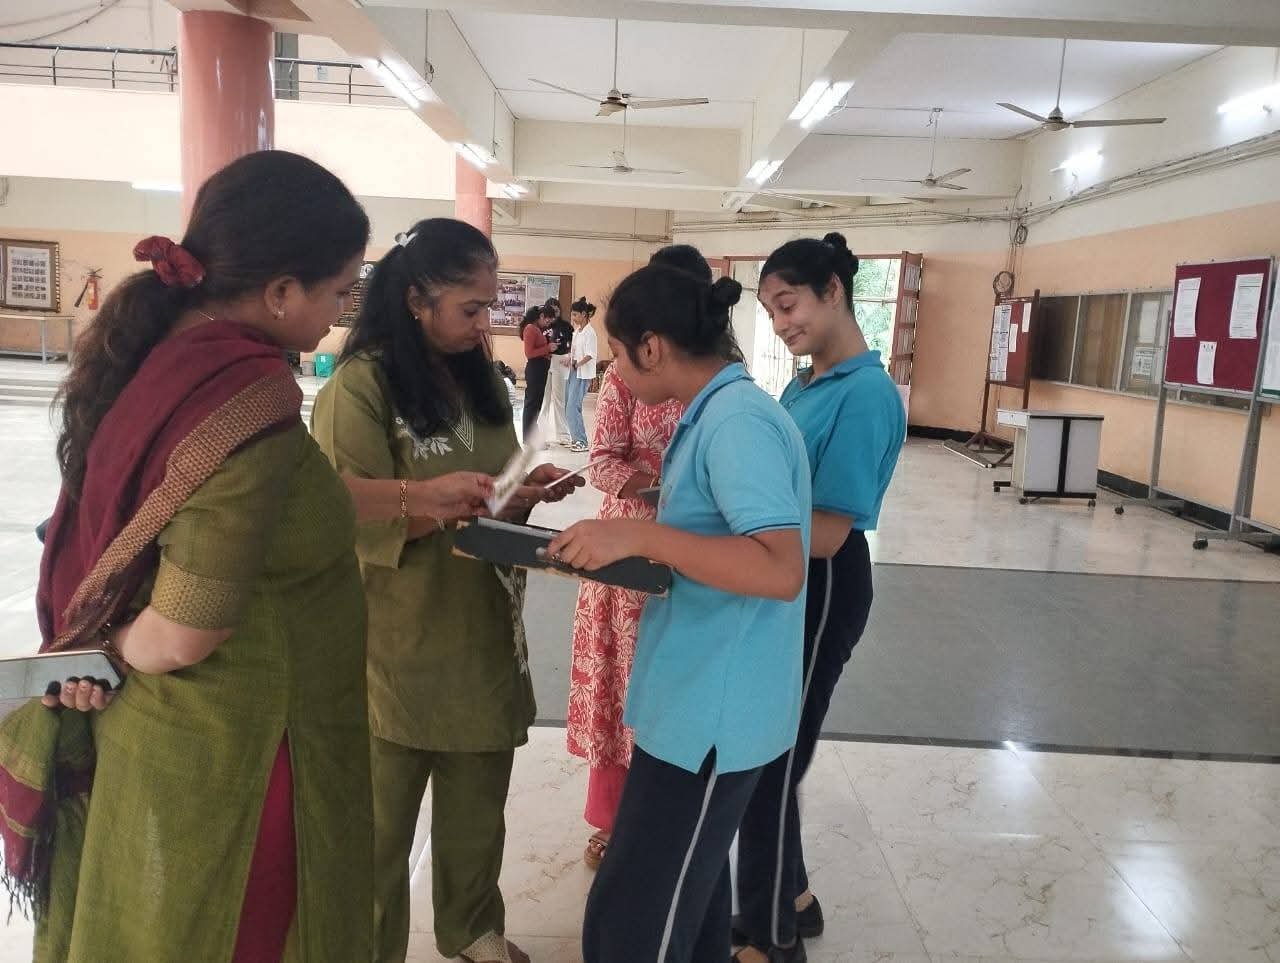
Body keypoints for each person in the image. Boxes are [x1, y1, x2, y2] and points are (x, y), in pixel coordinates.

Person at [1, 150, 467, 961]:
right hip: (236, 757)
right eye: (337, 291)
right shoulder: (245, 399)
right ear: (281, 291)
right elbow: (186, 630)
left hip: (178, 737)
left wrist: (417, 497)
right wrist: (103, 650)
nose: (340, 314)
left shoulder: (161, 357)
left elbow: (283, 505)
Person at [311, 217, 580, 963]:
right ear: (415, 299)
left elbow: (492, 483)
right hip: (395, 641)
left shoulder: (480, 379)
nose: (485, 323)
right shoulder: (360, 388)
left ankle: (470, 928)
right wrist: (430, 502)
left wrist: (522, 490)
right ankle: (365, 947)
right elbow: (337, 508)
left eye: (490, 306)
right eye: (471, 307)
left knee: (477, 805)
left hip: (482, 629)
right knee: (377, 826)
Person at [547, 265, 812, 963]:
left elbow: (780, 568)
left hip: (714, 715)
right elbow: (713, 545)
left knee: (638, 918)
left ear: (653, 346)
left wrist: (640, 537)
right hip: (693, 702)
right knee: (684, 904)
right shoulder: (714, 413)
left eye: (617, 351)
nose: (613, 369)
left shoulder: (737, 423)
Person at [732, 232, 906, 963]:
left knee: (772, 760)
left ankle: (770, 936)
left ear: (833, 291)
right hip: (789, 572)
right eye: (771, 312)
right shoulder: (807, 383)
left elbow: (829, 531)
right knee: (772, 744)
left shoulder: (865, 394)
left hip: (823, 581)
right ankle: (794, 896)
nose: (781, 324)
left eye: (789, 304)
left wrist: (726, 541)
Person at [565, 245, 712, 871]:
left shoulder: (724, 381)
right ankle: (616, 817)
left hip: (702, 555)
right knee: (625, 684)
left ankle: (680, 816)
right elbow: (601, 462)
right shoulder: (627, 373)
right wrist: (663, 486)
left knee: (685, 684)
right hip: (628, 554)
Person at [564, 297, 598, 452]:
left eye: (575, 315)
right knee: (568, 406)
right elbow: (575, 351)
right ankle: (575, 438)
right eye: (572, 314)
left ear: (584, 314)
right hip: (573, 371)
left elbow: (590, 354)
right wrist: (570, 361)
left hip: (582, 373)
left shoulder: (590, 333)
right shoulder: (577, 332)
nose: (573, 318)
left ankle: (581, 441)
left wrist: (577, 364)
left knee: (573, 406)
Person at [542, 297, 575, 446]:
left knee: (559, 399)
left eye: (556, 310)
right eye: (551, 311)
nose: (554, 314)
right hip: (544, 361)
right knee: (544, 399)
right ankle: (540, 433)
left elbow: (573, 344)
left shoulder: (566, 326)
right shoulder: (542, 326)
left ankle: (563, 435)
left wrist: (570, 356)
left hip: (560, 360)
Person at [520, 304, 555, 441]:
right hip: (535, 369)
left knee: (537, 404)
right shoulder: (530, 328)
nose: (548, 322)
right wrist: (548, 348)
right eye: (548, 319)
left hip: (541, 369)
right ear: (541, 316)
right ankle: (528, 437)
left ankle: (533, 435)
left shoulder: (537, 329)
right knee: (532, 404)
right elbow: (529, 353)